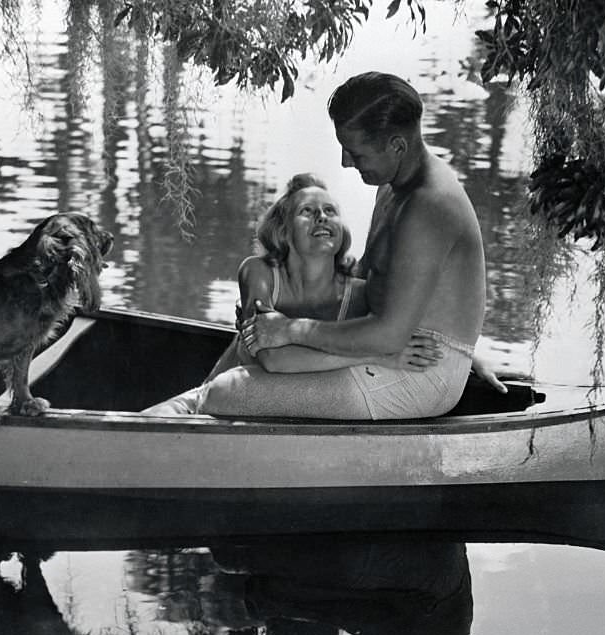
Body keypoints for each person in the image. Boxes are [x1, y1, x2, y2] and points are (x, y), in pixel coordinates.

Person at [228, 71, 491, 418]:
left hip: (418, 373)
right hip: (389, 347)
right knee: (252, 354)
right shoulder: (393, 187)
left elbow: (387, 336)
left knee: (227, 393)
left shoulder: (429, 206)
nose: (345, 162)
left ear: (397, 146)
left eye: (356, 153)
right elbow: (370, 281)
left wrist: (291, 328)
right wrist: (277, 293)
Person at [142, 173, 441, 416]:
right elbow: (274, 359)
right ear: (284, 230)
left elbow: (416, 324)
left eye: (330, 211)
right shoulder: (258, 273)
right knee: (146, 425)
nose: (321, 218)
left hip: (294, 411)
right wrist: (375, 356)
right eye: (307, 212)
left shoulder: (359, 292)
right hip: (211, 408)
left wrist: (472, 360)